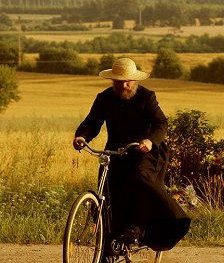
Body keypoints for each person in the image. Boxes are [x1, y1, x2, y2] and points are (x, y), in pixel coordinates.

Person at [73, 57, 191, 257]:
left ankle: (140, 228)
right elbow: (92, 122)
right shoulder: (104, 98)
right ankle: (109, 244)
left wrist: (150, 141)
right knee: (108, 190)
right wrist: (82, 136)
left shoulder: (147, 97)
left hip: (146, 152)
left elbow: (161, 124)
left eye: (127, 81)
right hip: (116, 152)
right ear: (113, 81)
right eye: (119, 81)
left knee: (138, 178)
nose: (124, 85)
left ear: (135, 80)